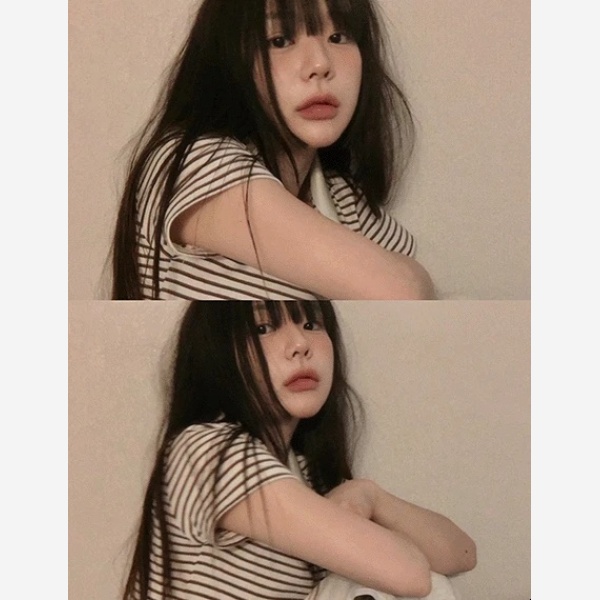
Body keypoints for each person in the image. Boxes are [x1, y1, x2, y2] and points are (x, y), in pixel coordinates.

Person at [122, 301, 476, 599]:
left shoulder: (306, 473)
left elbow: (461, 553)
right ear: (217, 353)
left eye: (311, 324)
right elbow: (410, 575)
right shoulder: (207, 451)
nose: (300, 344)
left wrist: (370, 495)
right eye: (263, 328)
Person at [111, 0, 435, 300]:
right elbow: (402, 289)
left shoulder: (342, 197)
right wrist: (414, 279)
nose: (321, 63)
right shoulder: (189, 162)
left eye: (339, 36)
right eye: (279, 40)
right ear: (228, 57)